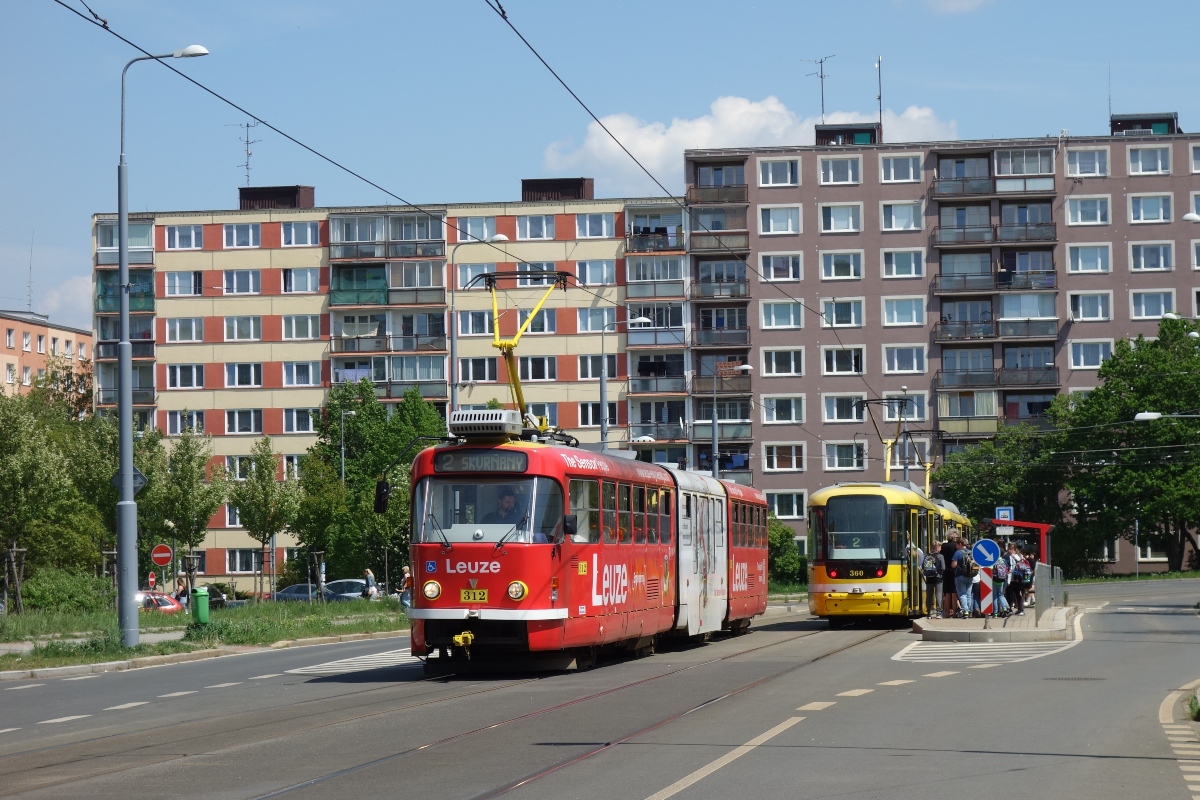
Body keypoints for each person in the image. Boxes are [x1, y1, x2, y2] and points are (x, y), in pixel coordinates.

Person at [950, 539, 974, 618]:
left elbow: (954, 564)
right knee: (968, 594)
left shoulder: (958, 553)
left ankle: (965, 611)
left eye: (957, 545)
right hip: (970, 575)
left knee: (962, 594)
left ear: (960, 544)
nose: (956, 547)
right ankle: (970, 611)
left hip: (960, 575)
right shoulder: (971, 552)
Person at [921, 541, 945, 618]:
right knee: (938, 595)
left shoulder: (927, 556)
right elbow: (943, 568)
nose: (940, 548)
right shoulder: (940, 556)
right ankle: (938, 613)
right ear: (937, 547)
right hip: (938, 578)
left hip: (929, 578)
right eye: (940, 547)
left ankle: (928, 613)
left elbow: (923, 567)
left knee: (929, 596)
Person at [941, 534, 960, 617]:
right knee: (954, 593)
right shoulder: (955, 547)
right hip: (954, 571)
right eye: (956, 537)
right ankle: (955, 612)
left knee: (947, 593)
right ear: (952, 538)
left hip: (945, 571)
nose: (957, 539)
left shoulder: (943, 546)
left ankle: (947, 612)